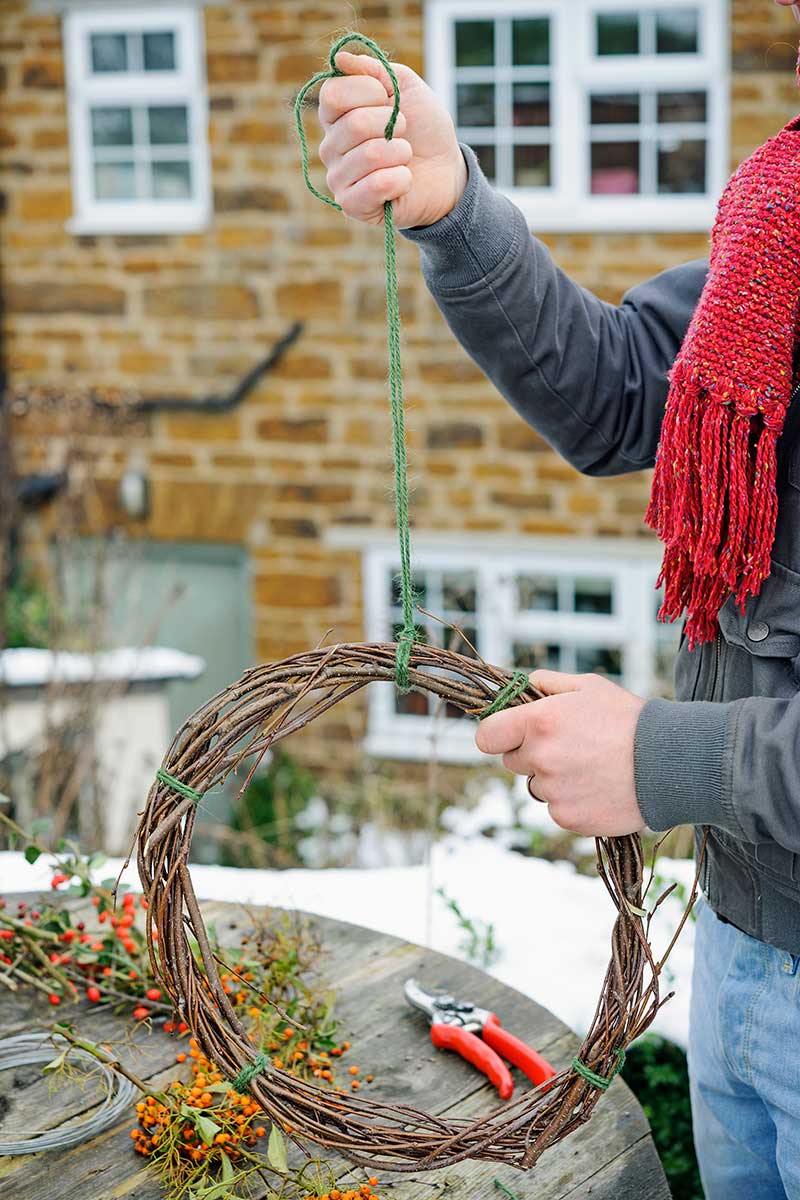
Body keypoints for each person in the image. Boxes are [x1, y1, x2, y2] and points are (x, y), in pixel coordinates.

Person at [317, 3, 800, 1197]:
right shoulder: (780, 217)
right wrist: (451, 206)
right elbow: (618, 388)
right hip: (739, 944)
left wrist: (667, 758)